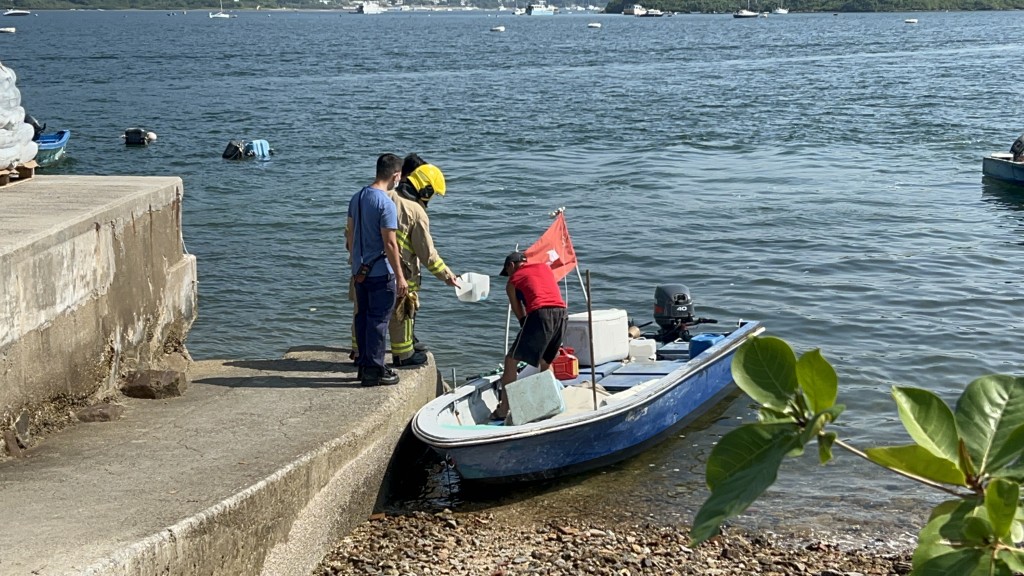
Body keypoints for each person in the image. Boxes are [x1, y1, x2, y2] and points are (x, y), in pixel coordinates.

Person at [385, 154, 459, 366]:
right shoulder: (416, 211)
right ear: (425, 190)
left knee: (370, 313)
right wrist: (447, 276)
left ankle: (360, 351)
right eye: (432, 194)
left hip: (375, 266)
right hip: (402, 271)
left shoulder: (386, 196)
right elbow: (427, 254)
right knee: (404, 313)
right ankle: (404, 355)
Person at [346, 154, 408, 387]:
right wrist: (400, 276)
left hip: (359, 270)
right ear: (396, 175)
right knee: (378, 320)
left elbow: (350, 235)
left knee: (362, 317)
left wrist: (354, 262)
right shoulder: (386, 203)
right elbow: (390, 243)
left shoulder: (357, 197)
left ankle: (364, 365)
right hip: (380, 271)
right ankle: (375, 369)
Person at [492, 251, 568, 421]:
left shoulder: (513, 281)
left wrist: (527, 329)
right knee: (545, 362)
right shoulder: (544, 267)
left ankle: (504, 409)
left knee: (511, 360)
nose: (508, 276)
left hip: (540, 314)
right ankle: (549, 404)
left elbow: (519, 312)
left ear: (511, 266)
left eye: (507, 271)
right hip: (562, 314)